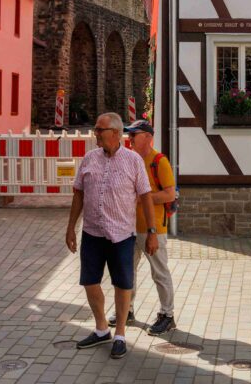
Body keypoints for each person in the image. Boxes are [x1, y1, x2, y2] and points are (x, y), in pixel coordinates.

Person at [66, 112, 158, 360]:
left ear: (116, 133)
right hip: (92, 233)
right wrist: (71, 227)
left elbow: (146, 197)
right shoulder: (89, 159)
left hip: (122, 235)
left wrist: (152, 232)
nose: (95, 133)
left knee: (123, 284)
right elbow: (78, 194)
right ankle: (101, 329)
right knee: (89, 281)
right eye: (96, 129)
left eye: (100, 129)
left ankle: (120, 334)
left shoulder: (133, 161)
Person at [109, 119, 176, 336]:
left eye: (133, 134)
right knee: (127, 271)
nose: (129, 138)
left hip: (152, 228)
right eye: (128, 134)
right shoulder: (130, 159)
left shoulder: (159, 161)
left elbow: (170, 194)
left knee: (159, 272)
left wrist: (142, 198)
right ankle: (126, 310)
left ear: (147, 137)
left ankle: (167, 315)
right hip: (128, 227)